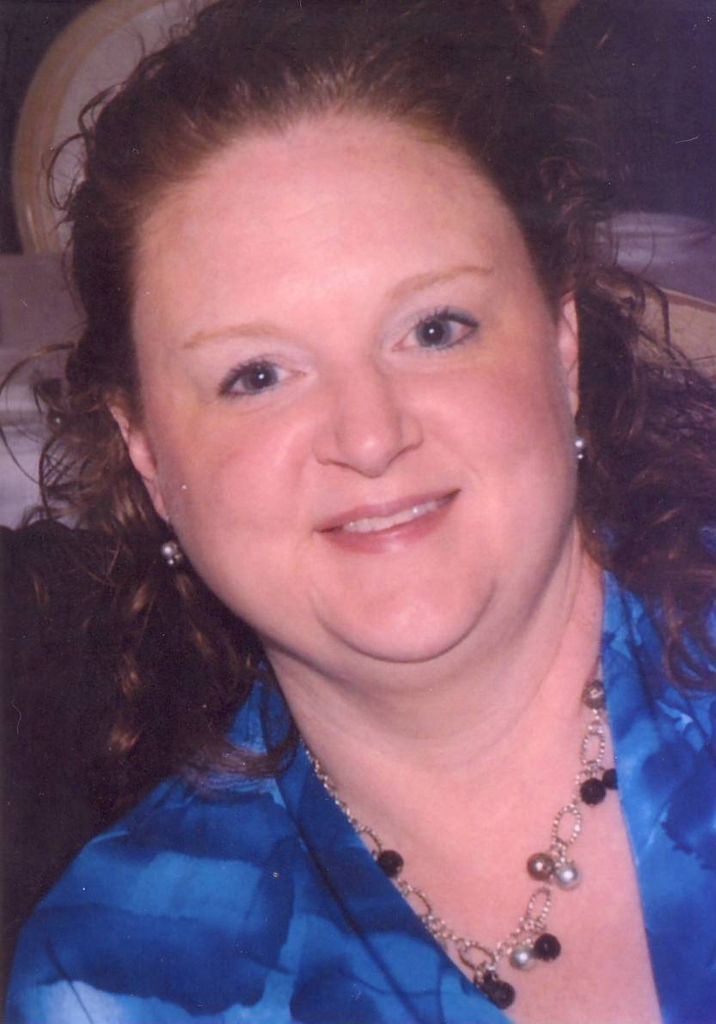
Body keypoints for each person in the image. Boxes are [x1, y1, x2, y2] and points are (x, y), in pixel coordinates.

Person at [4, 0, 715, 1021]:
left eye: (434, 328)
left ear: (562, 345)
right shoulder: (121, 982)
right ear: (148, 454)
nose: (369, 436)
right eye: (256, 374)